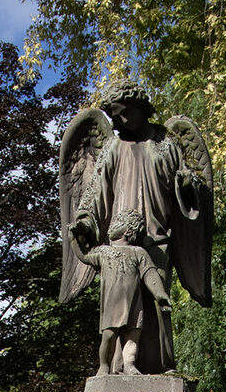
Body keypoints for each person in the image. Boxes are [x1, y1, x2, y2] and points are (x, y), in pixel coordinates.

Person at [62, 78, 211, 372]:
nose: (118, 121)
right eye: (114, 116)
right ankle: (117, 369)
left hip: (157, 239)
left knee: (157, 304)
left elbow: (186, 189)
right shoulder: (114, 147)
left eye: (123, 112)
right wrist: (84, 222)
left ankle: (157, 367)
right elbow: (95, 194)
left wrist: (185, 184)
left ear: (140, 107)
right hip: (119, 243)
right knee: (121, 307)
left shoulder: (165, 144)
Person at [70, 209, 172, 375]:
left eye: (117, 223)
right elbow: (84, 255)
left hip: (134, 302)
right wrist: (74, 239)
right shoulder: (103, 251)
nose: (112, 227)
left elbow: (150, 274)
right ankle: (104, 366)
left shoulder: (138, 252)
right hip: (113, 302)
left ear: (127, 230)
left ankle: (129, 365)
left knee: (133, 335)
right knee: (109, 335)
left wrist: (160, 295)